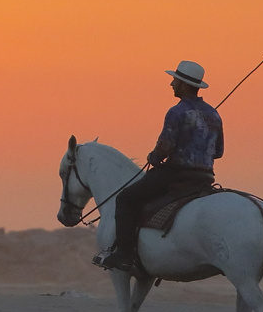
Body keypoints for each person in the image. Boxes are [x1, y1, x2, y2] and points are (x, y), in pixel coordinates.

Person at [95, 60, 223, 272]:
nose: (171, 84)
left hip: (176, 174)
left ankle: (124, 255)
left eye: (174, 80)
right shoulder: (214, 114)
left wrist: (154, 157)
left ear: (183, 85)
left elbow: (166, 145)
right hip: (206, 177)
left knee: (126, 199)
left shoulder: (176, 112)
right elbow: (218, 151)